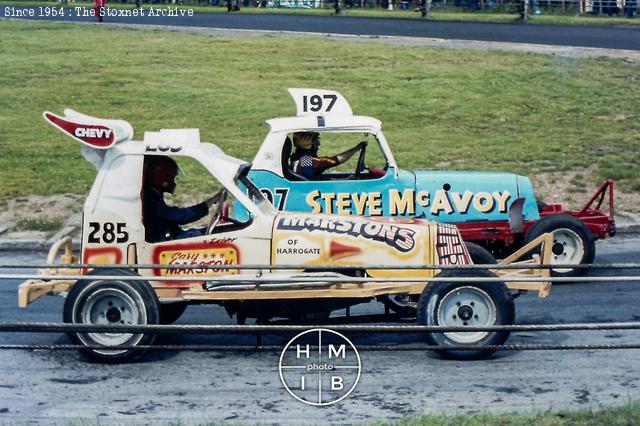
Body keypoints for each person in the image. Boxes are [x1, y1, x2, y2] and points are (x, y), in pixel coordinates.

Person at [142, 156, 222, 243]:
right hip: (161, 243)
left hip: (167, 237)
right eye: (172, 178)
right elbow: (182, 216)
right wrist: (210, 202)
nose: (173, 182)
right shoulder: (149, 200)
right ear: (162, 177)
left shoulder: (152, 195)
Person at [290, 132, 366, 180]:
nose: (318, 144)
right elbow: (334, 161)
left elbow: (317, 179)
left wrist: (344, 180)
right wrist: (357, 148)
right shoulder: (306, 160)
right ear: (308, 142)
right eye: (316, 140)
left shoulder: (299, 157)